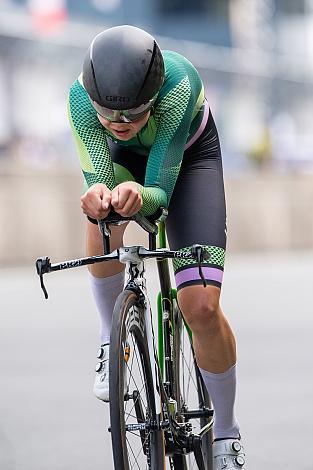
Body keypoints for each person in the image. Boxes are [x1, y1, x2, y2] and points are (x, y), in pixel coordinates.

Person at [67, 24, 246, 469]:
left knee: (200, 307)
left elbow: (160, 192)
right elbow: (99, 176)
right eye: (107, 115)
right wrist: (101, 197)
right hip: (126, 166)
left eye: (132, 116)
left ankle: (225, 431)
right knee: (102, 212)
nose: (118, 125)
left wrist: (141, 198)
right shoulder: (78, 99)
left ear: (153, 100)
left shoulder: (178, 84)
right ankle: (111, 339)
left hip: (189, 162)